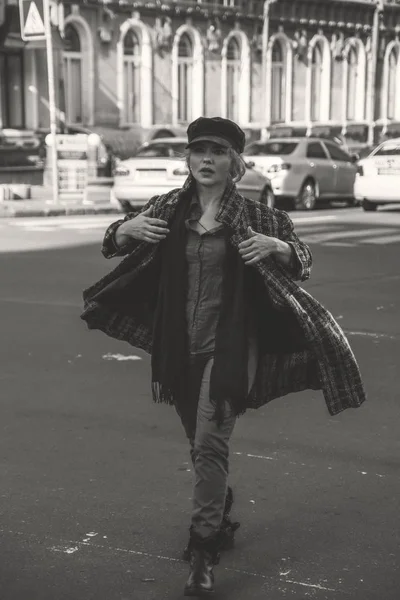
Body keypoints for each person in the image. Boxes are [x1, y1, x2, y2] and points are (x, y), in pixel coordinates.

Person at [81, 116, 366, 597]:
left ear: (235, 162)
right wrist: (126, 229)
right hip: (177, 346)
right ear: (188, 160)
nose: (206, 159)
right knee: (200, 442)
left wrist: (278, 247)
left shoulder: (258, 216)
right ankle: (219, 499)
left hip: (232, 346)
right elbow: (111, 244)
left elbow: (303, 261)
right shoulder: (169, 208)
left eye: (217, 152)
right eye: (198, 151)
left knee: (211, 440)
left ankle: (203, 550)